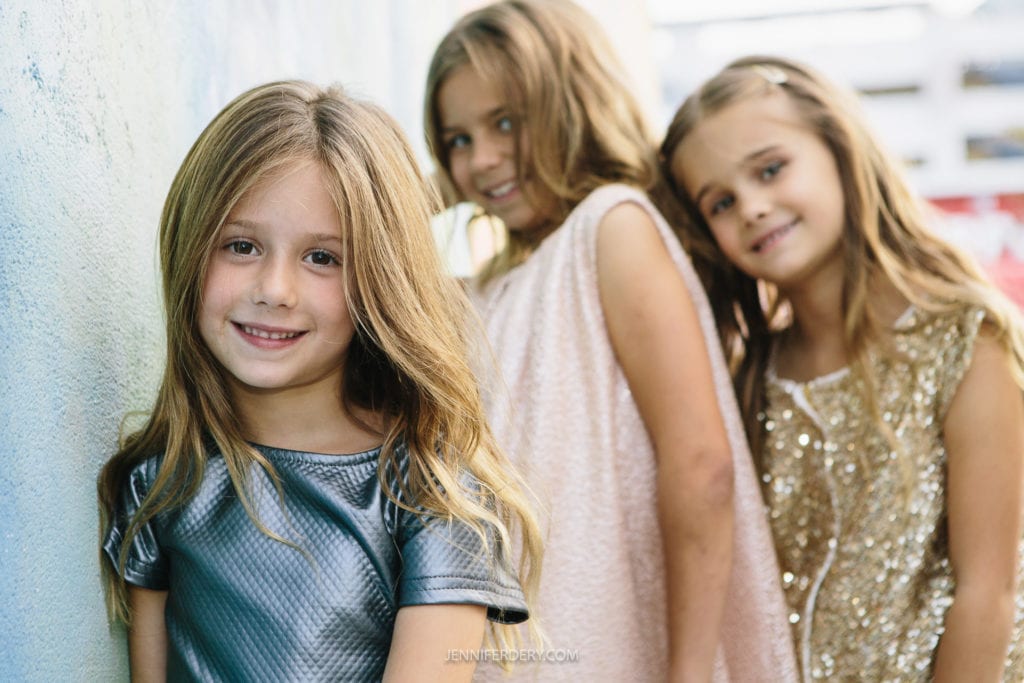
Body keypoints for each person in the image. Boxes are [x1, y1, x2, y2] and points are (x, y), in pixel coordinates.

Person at [97, 80, 543, 683]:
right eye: (241, 246)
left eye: (322, 258)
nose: (274, 290)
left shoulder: (431, 498)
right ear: (190, 249)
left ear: (380, 282)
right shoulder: (162, 484)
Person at [424, 2, 799, 681]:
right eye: (457, 140)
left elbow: (701, 465)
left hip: (619, 647)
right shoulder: (495, 285)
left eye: (506, 122)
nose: (481, 159)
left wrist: (688, 674)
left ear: (569, 102)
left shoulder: (613, 227)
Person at [661, 54, 1024, 680]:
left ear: (839, 149)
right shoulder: (749, 380)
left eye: (770, 170)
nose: (752, 207)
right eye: (720, 202)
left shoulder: (967, 341)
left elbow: (987, 595)